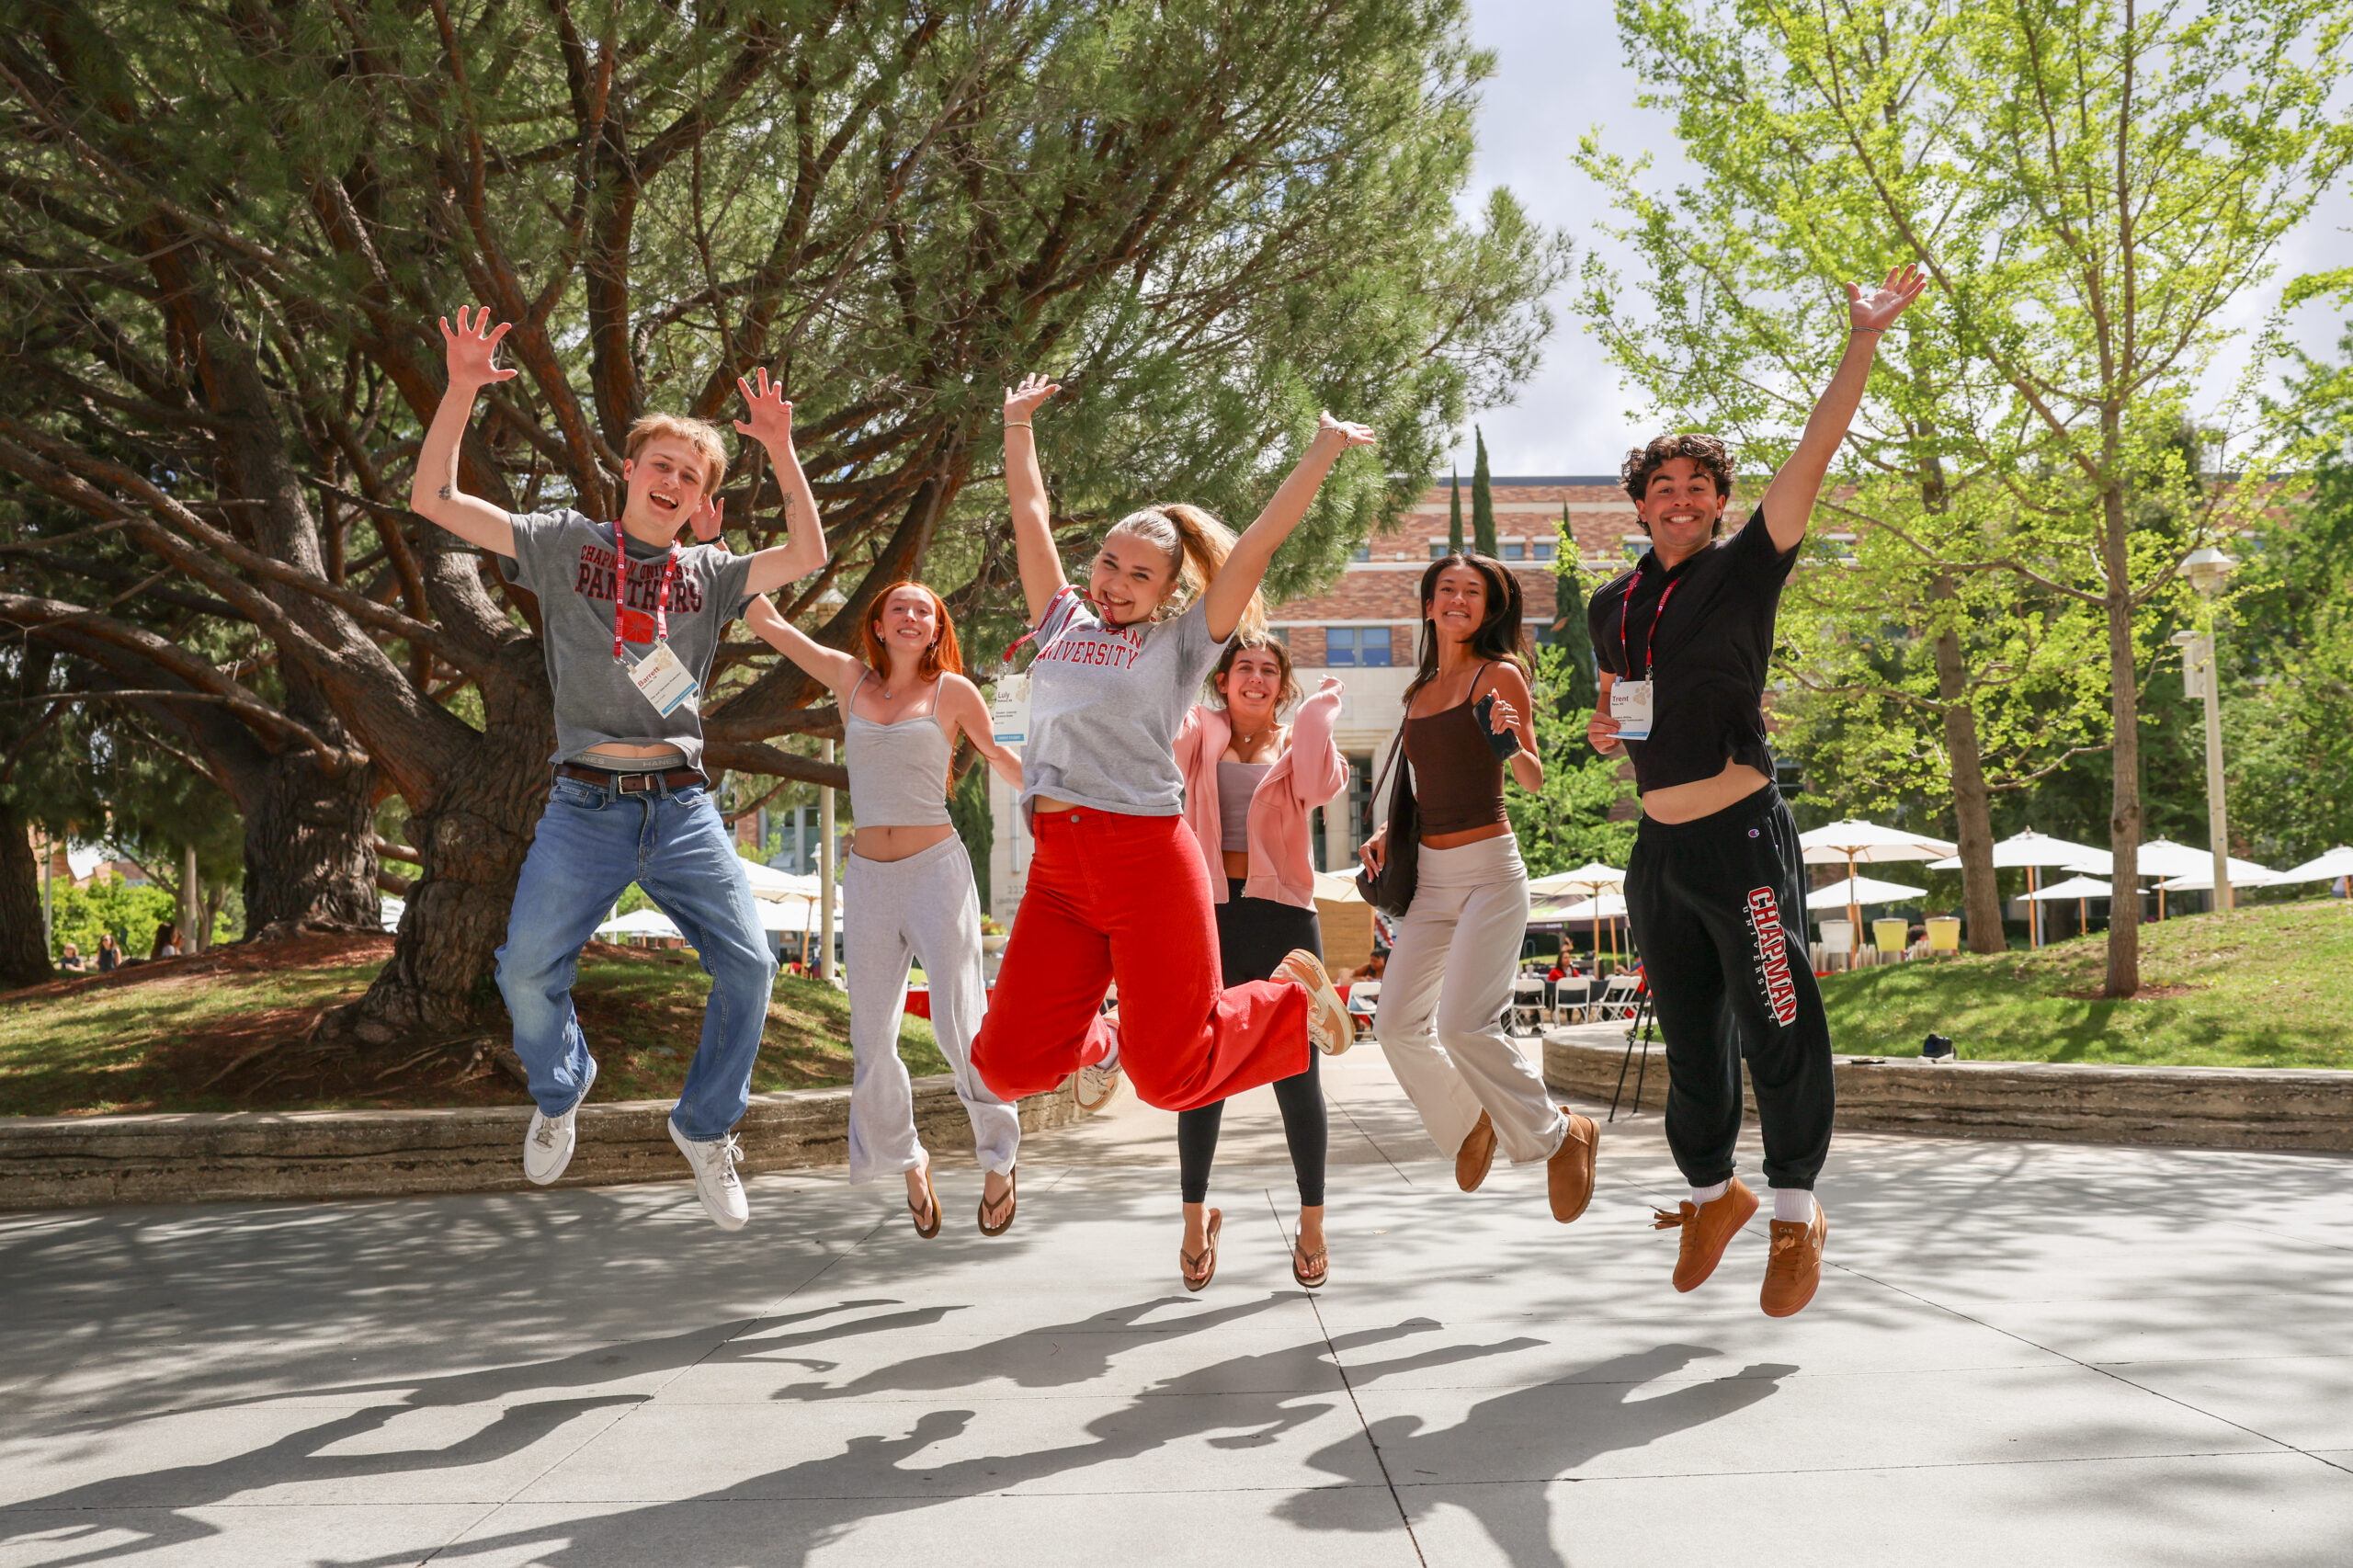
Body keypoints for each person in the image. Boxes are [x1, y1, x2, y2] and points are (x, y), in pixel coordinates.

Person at [412, 312, 826, 1231]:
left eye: (693, 473)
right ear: (630, 471)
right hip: (583, 801)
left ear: (700, 496)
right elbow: (436, 497)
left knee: (752, 968)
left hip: (680, 806)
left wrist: (783, 449)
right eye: (661, 463)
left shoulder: (710, 576)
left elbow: (808, 555)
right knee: (524, 975)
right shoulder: (565, 546)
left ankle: (707, 1125)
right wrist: (462, 389)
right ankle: (562, 1084)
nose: (673, 480)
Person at [1587, 264, 1928, 1318]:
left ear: (1721, 505)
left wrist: (1861, 337)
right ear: (1639, 505)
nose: (1680, 501)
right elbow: (1623, 704)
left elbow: (1815, 451)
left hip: (1739, 835)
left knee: (1775, 1019)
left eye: (1699, 488)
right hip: (1658, 853)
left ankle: (1792, 1211)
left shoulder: (1745, 568)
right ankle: (1709, 1194)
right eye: (1662, 488)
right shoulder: (1612, 601)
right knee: (1690, 1036)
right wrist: (1610, 728)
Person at [970, 373, 1361, 1154]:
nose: (1114, 584)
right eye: (1108, 564)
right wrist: (1016, 425)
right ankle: (1099, 1044)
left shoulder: (1181, 646)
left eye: (1138, 576)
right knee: (1004, 1066)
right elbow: (1031, 515)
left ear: (1170, 590)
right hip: (1058, 868)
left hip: (1145, 857)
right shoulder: (1060, 621)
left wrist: (1323, 449)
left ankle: (1289, 997)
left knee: (1174, 1078)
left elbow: (1256, 545)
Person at [745, 579, 1026, 1239]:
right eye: (897, 607)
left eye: (922, 611)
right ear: (876, 623)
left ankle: (1000, 1158)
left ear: (936, 631)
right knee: (872, 1038)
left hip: (936, 873)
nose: (909, 616)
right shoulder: (850, 681)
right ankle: (907, 1159)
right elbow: (775, 629)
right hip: (868, 879)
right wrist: (721, 561)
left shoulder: (953, 692)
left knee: (961, 1027)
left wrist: (1063, 788)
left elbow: (999, 755)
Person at [1359, 555, 1599, 1224]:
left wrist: (1506, 739)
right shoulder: (1419, 691)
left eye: (1474, 592)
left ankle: (1561, 1136)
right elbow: (1422, 784)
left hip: (1491, 871)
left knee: (1464, 1024)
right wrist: (1387, 832)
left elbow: (1531, 778)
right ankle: (1470, 1123)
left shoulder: (1501, 674)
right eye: (1448, 590)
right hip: (1431, 879)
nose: (1459, 599)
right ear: (1430, 604)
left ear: (1490, 608)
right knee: (1396, 1024)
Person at [1168, 635, 1348, 1289]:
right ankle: (1194, 1221)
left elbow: (1325, 784)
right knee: (1201, 1072)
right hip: (1209, 918)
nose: (1256, 677)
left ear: (1282, 685)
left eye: (1270, 670)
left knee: (1299, 1076)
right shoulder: (1201, 734)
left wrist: (1316, 719)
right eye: (1245, 667)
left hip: (1286, 920)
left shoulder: (1296, 745)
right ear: (1224, 681)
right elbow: (1166, 742)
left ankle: (1312, 1222)